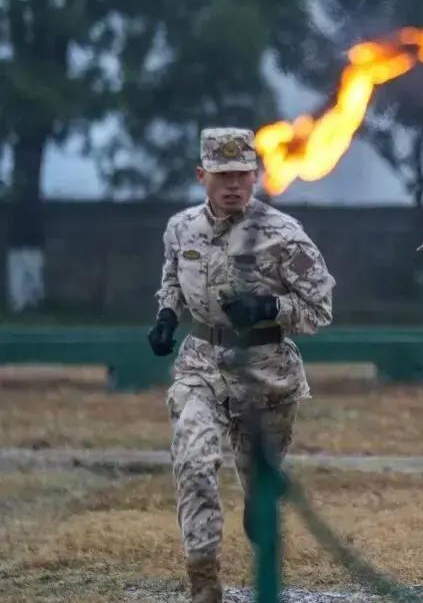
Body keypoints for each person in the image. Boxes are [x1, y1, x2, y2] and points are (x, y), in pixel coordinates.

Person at [146, 127, 335, 602]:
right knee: (194, 460)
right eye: (221, 174)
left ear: (256, 175)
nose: (232, 184)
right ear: (201, 176)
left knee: (260, 494)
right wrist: (167, 316)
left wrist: (270, 309)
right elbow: (172, 278)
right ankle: (204, 581)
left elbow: (320, 310)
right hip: (201, 367)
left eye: (242, 174)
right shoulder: (181, 228)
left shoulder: (283, 234)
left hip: (265, 374)